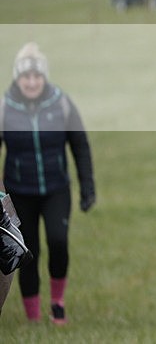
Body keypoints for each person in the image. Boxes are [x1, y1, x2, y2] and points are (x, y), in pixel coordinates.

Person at [1, 42, 96, 324]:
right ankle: (32, 315)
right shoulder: (6, 108)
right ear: (18, 77)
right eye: (26, 76)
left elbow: (80, 145)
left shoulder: (61, 103)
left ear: (45, 77)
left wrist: (87, 186)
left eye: (37, 76)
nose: (31, 82)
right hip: (20, 193)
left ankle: (57, 303)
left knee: (58, 241)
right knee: (29, 251)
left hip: (56, 189)